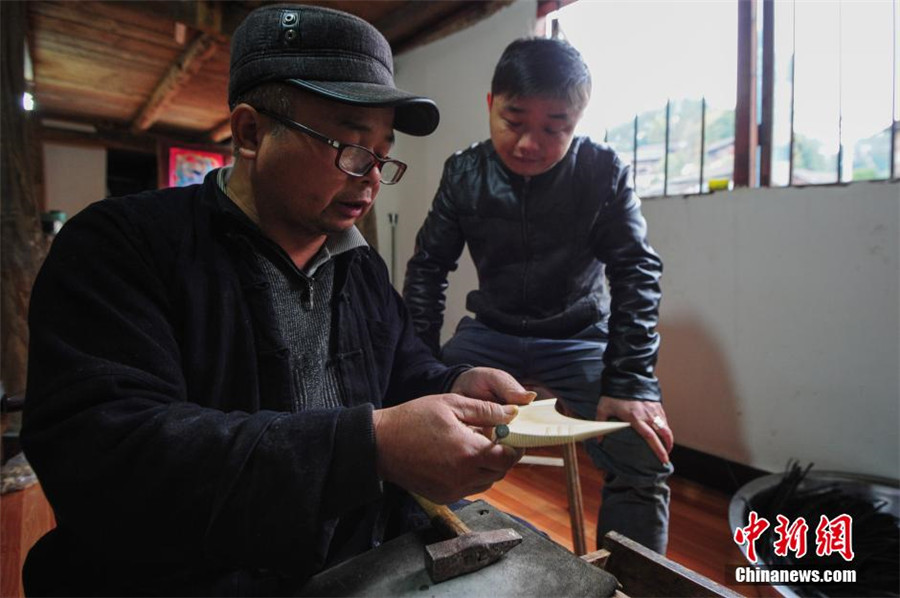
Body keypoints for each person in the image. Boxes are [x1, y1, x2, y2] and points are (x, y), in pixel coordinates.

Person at [20, 5, 533, 596]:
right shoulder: (123, 246)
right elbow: (109, 454)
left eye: (382, 153)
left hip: (358, 560)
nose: (371, 176)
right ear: (250, 133)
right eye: (350, 146)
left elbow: (401, 367)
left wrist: (455, 382)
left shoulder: (359, 265)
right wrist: (368, 448)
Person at [403, 37, 675, 554]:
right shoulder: (464, 173)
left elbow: (636, 270)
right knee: (415, 427)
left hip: (578, 334)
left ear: (579, 120)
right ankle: (446, 558)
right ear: (490, 105)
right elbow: (428, 269)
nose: (529, 143)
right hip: (490, 334)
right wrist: (417, 367)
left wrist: (632, 380)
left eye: (554, 128)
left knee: (644, 449)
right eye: (513, 121)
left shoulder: (602, 170)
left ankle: (633, 582)